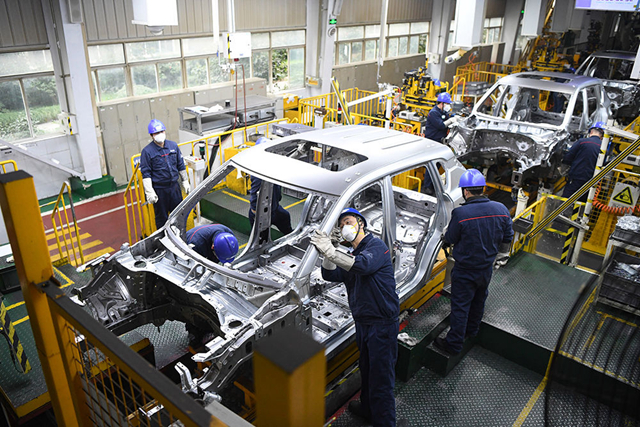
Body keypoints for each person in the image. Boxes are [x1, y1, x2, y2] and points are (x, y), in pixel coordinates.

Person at [311, 209, 402, 427]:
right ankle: (369, 409)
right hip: (363, 323)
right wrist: (330, 251)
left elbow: (362, 265)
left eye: (348, 221)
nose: (345, 227)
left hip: (382, 324)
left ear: (361, 223)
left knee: (381, 379)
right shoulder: (351, 256)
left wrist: (331, 251)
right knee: (367, 370)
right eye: (341, 225)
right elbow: (329, 274)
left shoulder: (376, 247)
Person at [434, 169, 513, 355]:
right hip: (486, 268)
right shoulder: (501, 209)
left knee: (460, 306)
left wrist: (445, 236)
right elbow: (508, 236)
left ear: (466, 191)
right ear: (483, 188)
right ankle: (472, 331)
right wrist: (500, 256)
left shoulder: (461, 213)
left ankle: (453, 345)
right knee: (478, 301)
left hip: (465, 270)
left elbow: (451, 238)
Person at [141, 119, 191, 229]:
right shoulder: (147, 152)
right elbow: (146, 173)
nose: (160, 134)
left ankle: (180, 235)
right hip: (160, 191)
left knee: (179, 215)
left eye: (161, 131)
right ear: (151, 135)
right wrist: (150, 192)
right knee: (162, 219)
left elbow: (181, 165)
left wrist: (185, 181)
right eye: (156, 133)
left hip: (174, 188)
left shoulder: (173, 146)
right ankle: (163, 238)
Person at [248, 137, 293, 241]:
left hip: (274, 208)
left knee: (285, 217)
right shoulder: (258, 173)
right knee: (261, 241)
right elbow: (255, 198)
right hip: (260, 214)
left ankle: (291, 237)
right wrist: (256, 215)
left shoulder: (272, 167)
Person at [562, 122, 605, 202]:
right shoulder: (603, 148)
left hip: (576, 178)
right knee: (582, 204)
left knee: (566, 202)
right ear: (602, 136)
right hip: (591, 181)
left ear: (591, 132)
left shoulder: (582, 142)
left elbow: (568, 158)